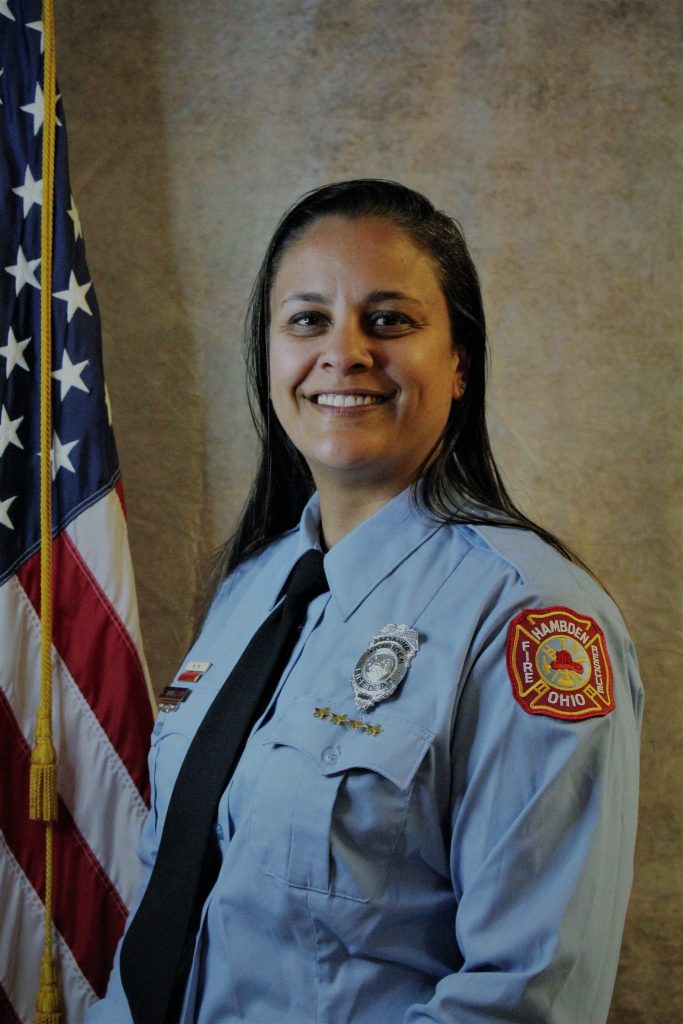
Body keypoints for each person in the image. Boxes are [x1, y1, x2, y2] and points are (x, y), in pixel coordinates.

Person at [87, 179, 642, 1024]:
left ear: (459, 363)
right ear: (269, 358)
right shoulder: (250, 593)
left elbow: (524, 997)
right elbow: (172, 903)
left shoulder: (528, 621)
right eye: (306, 320)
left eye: (389, 319)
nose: (343, 352)